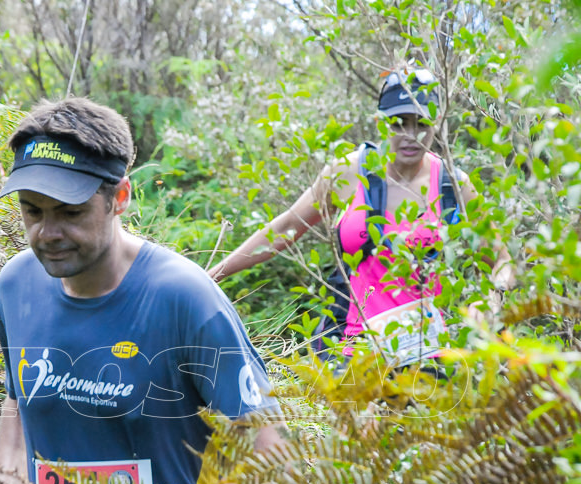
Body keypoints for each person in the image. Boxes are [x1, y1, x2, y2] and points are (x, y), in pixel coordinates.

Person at [0, 97, 284, 484]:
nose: (47, 233)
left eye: (69, 212)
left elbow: (268, 450)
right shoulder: (17, 287)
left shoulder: (182, 297)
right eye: (32, 211)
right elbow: (18, 404)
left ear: (119, 198)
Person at [208, 68, 514, 365]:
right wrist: (212, 276)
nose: (410, 135)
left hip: (426, 355)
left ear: (436, 123)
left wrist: (492, 297)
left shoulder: (453, 185)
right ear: (381, 124)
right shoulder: (348, 172)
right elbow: (287, 226)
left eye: (421, 123)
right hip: (348, 350)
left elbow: (503, 262)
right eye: (398, 123)